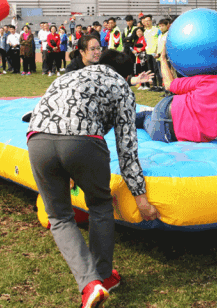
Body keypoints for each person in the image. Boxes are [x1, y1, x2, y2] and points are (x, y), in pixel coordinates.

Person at [27, 49, 160, 307]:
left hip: (38, 138)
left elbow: (42, 112)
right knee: (100, 206)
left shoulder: (70, 76)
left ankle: (90, 283)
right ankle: (103, 275)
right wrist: (141, 199)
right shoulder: (122, 88)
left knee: (59, 217)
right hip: (83, 140)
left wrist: (62, 167)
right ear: (128, 75)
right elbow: (127, 149)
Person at [142, 15, 161, 91]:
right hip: (148, 52)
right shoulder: (145, 32)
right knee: (151, 70)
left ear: (151, 21)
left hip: (155, 53)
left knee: (157, 69)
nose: (147, 22)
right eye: (145, 21)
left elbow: (160, 40)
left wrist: (158, 51)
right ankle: (154, 85)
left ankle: (160, 85)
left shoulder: (156, 30)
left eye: (148, 20)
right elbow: (146, 41)